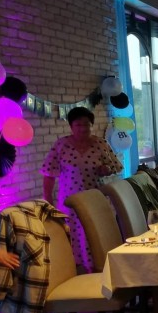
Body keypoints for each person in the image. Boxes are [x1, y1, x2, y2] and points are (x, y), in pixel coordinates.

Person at [41, 106, 123, 272]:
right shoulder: (61, 145)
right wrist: (48, 199)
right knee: (74, 237)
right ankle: (77, 272)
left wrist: (106, 169)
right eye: (78, 125)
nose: (83, 128)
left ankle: (101, 269)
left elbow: (116, 166)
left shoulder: (101, 144)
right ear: (71, 126)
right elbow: (48, 173)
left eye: (86, 124)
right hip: (70, 201)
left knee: (97, 234)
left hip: (95, 200)